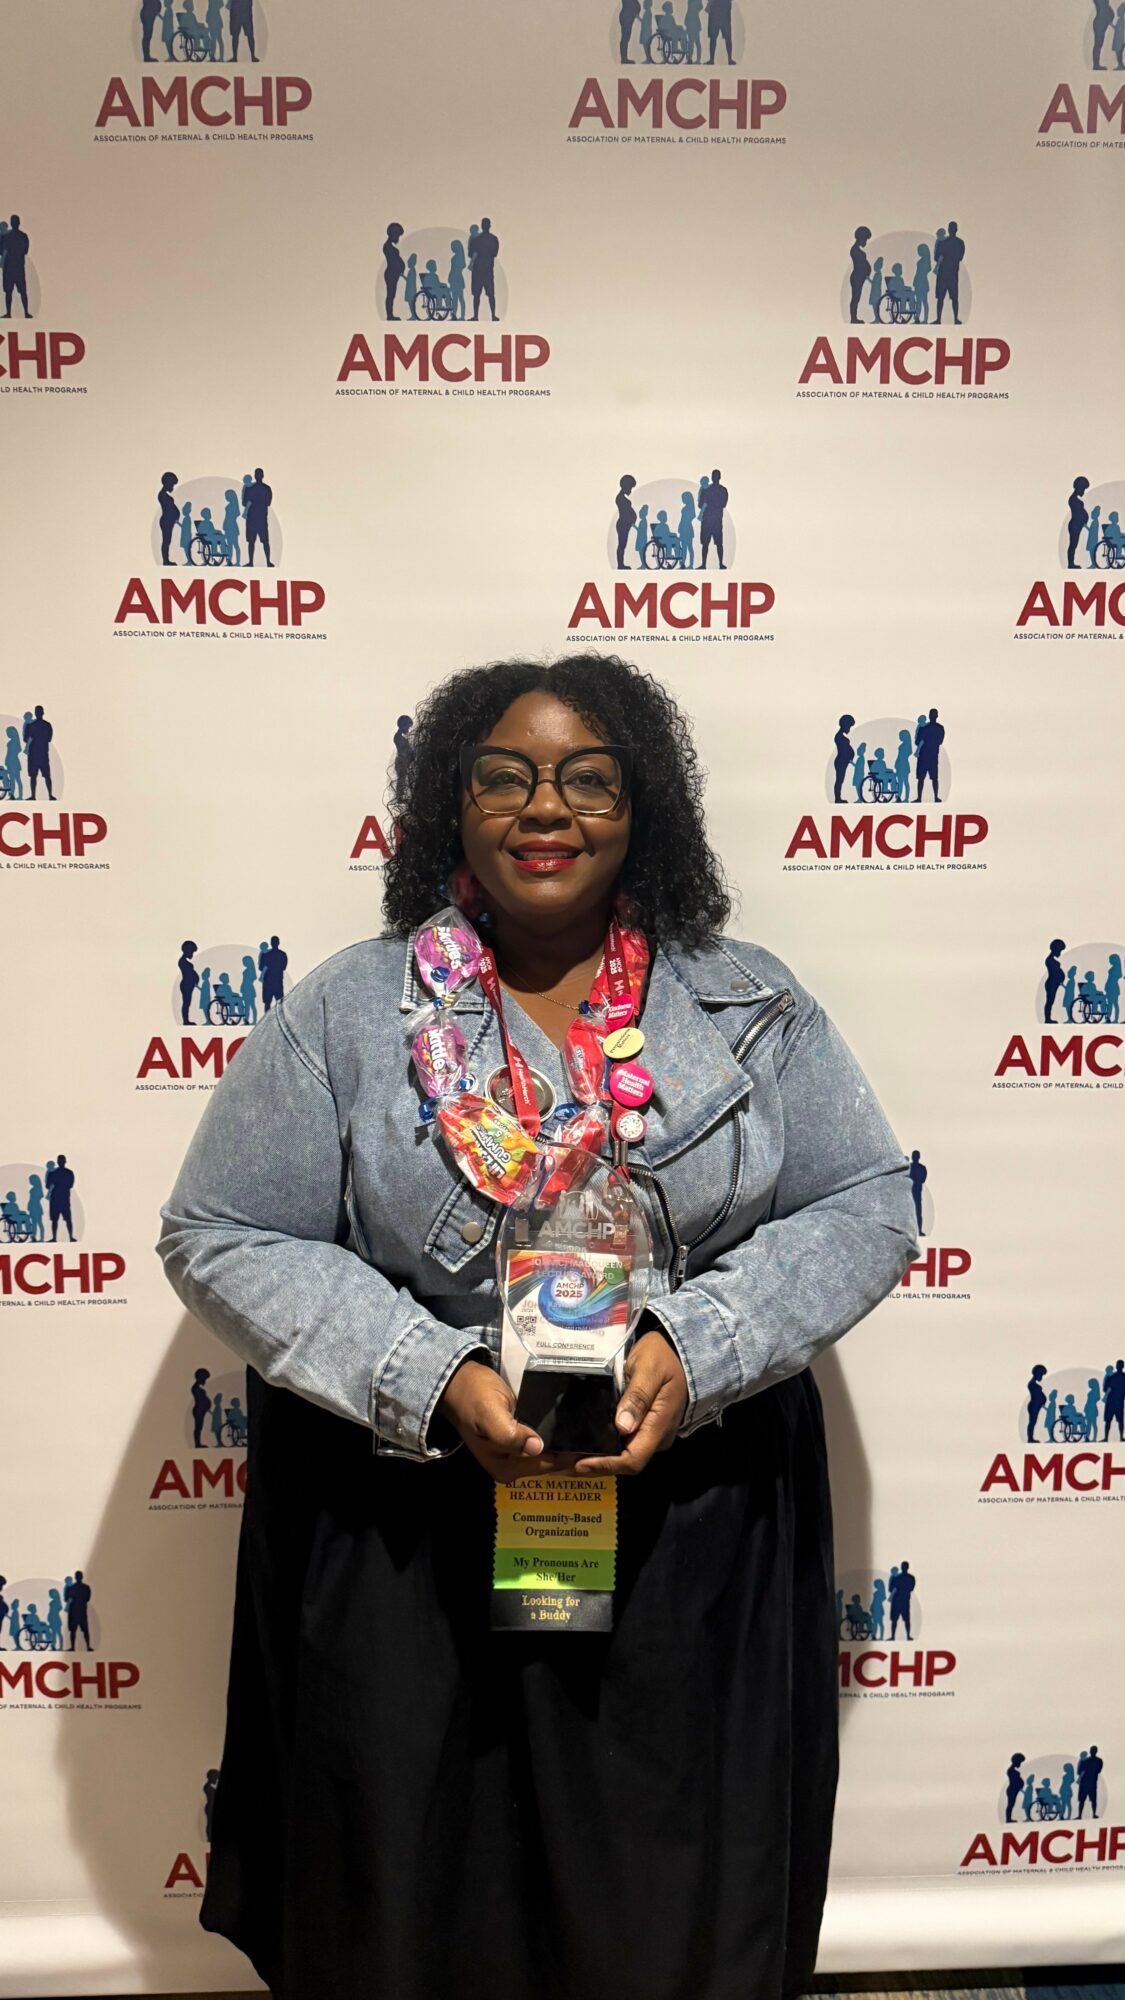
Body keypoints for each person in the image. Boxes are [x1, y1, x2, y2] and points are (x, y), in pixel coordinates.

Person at [157, 651, 917, 2000]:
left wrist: (697, 1342)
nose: (545, 806)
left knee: (662, 1915)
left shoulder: (746, 1005)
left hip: (684, 1532)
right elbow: (220, 1228)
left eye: (587, 778)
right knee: (413, 1907)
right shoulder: (347, 1010)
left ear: (643, 807)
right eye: (503, 776)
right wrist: (431, 1371)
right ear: (453, 805)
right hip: (410, 1532)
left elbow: (865, 1201)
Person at [934, 222, 965, 326]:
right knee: (954, 298)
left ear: (948, 230)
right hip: (953, 273)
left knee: (941, 298)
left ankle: (939, 319)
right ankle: (955, 319)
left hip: (943, 273)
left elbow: (936, 257)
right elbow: (960, 257)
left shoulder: (943, 243)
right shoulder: (960, 243)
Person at [468, 217, 500, 322]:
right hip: (488, 270)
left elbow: (471, 254)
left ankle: (476, 316)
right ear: (489, 226)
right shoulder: (493, 239)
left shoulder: (476, 240)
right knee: (490, 294)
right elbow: (494, 253)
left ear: (482, 226)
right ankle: (493, 315)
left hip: (478, 270)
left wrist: (472, 262)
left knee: (477, 294)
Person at [241, 469, 274, 568]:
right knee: (262, 541)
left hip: (254, 518)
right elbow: (268, 502)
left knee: (254, 541)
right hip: (260, 518)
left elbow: (244, 503)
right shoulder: (266, 488)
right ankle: (266, 562)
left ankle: (254, 562)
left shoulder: (250, 489)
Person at [1, 214, 31, 319]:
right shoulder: (23, 236)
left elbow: (3, 251)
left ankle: (9, 313)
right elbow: (25, 251)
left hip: (9, 268)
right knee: (22, 291)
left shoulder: (6, 237)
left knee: (9, 292)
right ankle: (26, 312)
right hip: (19, 268)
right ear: (18, 223)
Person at [699, 467, 728, 569]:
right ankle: (719, 564)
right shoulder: (723, 490)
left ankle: (705, 564)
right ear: (719, 477)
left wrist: (709, 503)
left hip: (710, 520)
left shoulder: (707, 490)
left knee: (708, 544)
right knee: (715, 544)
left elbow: (701, 504)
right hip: (715, 520)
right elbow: (723, 504)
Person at [915, 707, 944, 803]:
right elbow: (939, 741)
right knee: (932, 778)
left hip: (925, 756)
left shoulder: (924, 729)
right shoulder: (940, 728)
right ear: (937, 716)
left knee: (922, 778)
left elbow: (917, 742)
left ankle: (920, 798)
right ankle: (935, 797)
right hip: (932, 756)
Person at [47, 1154, 75, 1243]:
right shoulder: (69, 1173)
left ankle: (56, 1238)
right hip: (63, 1199)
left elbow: (48, 1186)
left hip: (57, 1199)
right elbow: (70, 1185)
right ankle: (70, 1237)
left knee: (56, 1220)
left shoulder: (52, 1174)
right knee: (65, 1220)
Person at [383, 223, 406, 321]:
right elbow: (394, 261)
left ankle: (390, 314)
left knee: (392, 294)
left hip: (394, 274)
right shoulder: (388, 247)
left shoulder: (390, 247)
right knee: (390, 294)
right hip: (391, 274)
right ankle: (389, 315)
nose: (398, 238)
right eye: (397, 235)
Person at [848, 228, 871, 323]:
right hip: (857, 277)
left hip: (860, 277)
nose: (865, 242)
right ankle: (853, 318)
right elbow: (860, 265)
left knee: (857, 298)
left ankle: (854, 318)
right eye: (865, 239)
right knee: (855, 298)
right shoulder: (855, 250)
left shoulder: (857, 250)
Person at [1067, 477, 1091, 569]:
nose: (1083, 492)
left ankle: (1071, 563)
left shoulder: (1075, 499)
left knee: (1074, 544)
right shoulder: (1073, 500)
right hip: (1075, 525)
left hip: (1077, 525)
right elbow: (1078, 513)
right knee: (1073, 544)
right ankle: (1070, 564)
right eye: (1083, 489)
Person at [614, 475, 637, 570]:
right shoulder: (620, 498)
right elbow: (625, 513)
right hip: (623, 524)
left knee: (623, 544)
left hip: (626, 524)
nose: (630, 490)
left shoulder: (622, 498)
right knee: (622, 545)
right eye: (630, 488)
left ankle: (621, 564)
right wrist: (631, 521)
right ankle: (620, 565)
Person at [888, 1561, 915, 1641]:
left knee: (898, 1620)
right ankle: (906, 1636)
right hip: (903, 1601)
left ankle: (895, 1636)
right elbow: (911, 1588)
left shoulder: (896, 1578)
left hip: (899, 1601)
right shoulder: (910, 1578)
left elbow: (890, 1589)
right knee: (902, 1620)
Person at [67, 1570, 92, 1651]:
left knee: (74, 1631)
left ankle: (73, 1647)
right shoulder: (86, 1588)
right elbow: (87, 1599)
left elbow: (68, 1599)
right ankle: (87, 1646)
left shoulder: (72, 1588)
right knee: (83, 1631)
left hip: (75, 1611)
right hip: (81, 1611)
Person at [1043, 939, 1066, 1024]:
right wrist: (1060, 978)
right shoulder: (1050, 960)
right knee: (1050, 1001)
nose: (1060, 953)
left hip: (1054, 983)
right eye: (1060, 950)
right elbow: (1055, 973)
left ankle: (1048, 1018)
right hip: (1051, 983)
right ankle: (1047, 1019)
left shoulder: (1051, 960)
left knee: (1051, 1001)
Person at [832, 715, 855, 803]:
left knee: (840, 780)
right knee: (839, 780)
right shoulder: (839, 737)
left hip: (844, 761)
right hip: (841, 761)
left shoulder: (841, 736)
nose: (849, 729)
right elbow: (844, 750)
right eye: (849, 726)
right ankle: (837, 799)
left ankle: (838, 798)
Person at [1077, 1746, 1103, 1818]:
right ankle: (1088, 1815)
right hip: (1089, 1783)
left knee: (1087, 1800)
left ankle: (1083, 1815)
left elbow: (1079, 1771)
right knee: (1087, 1800)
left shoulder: (1086, 1761)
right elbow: (1098, 1770)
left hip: (1088, 1783)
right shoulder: (1098, 1761)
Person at [1026, 1364, 1047, 1443]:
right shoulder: (1032, 1384)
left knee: (1033, 1422)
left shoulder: (1033, 1384)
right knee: (1032, 1422)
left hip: (1036, 1405)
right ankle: (1030, 1439)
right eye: (1041, 1375)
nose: (1041, 1377)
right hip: (1034, 1406)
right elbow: (1037, 1396)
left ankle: (1030, 1438)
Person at [1004, 1754, 1026, 1822]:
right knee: (1010, 1804)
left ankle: (1009, 1818)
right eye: (1020, 1762)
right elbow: (1015, 1781)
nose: (1020, 1764)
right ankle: (1008, 1819)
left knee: (1011, 1804)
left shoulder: (1013, 1770)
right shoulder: (1011, 1771)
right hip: (1012, 1790)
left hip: (1014, 1790)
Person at [1092, 0, 1113, 67]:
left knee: (1099, 45)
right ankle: (1096, 65)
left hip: (1101, 23)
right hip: (1100, 23)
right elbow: (1104, 9)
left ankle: (1096, 64)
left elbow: (1105, 9)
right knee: (1098, 45)